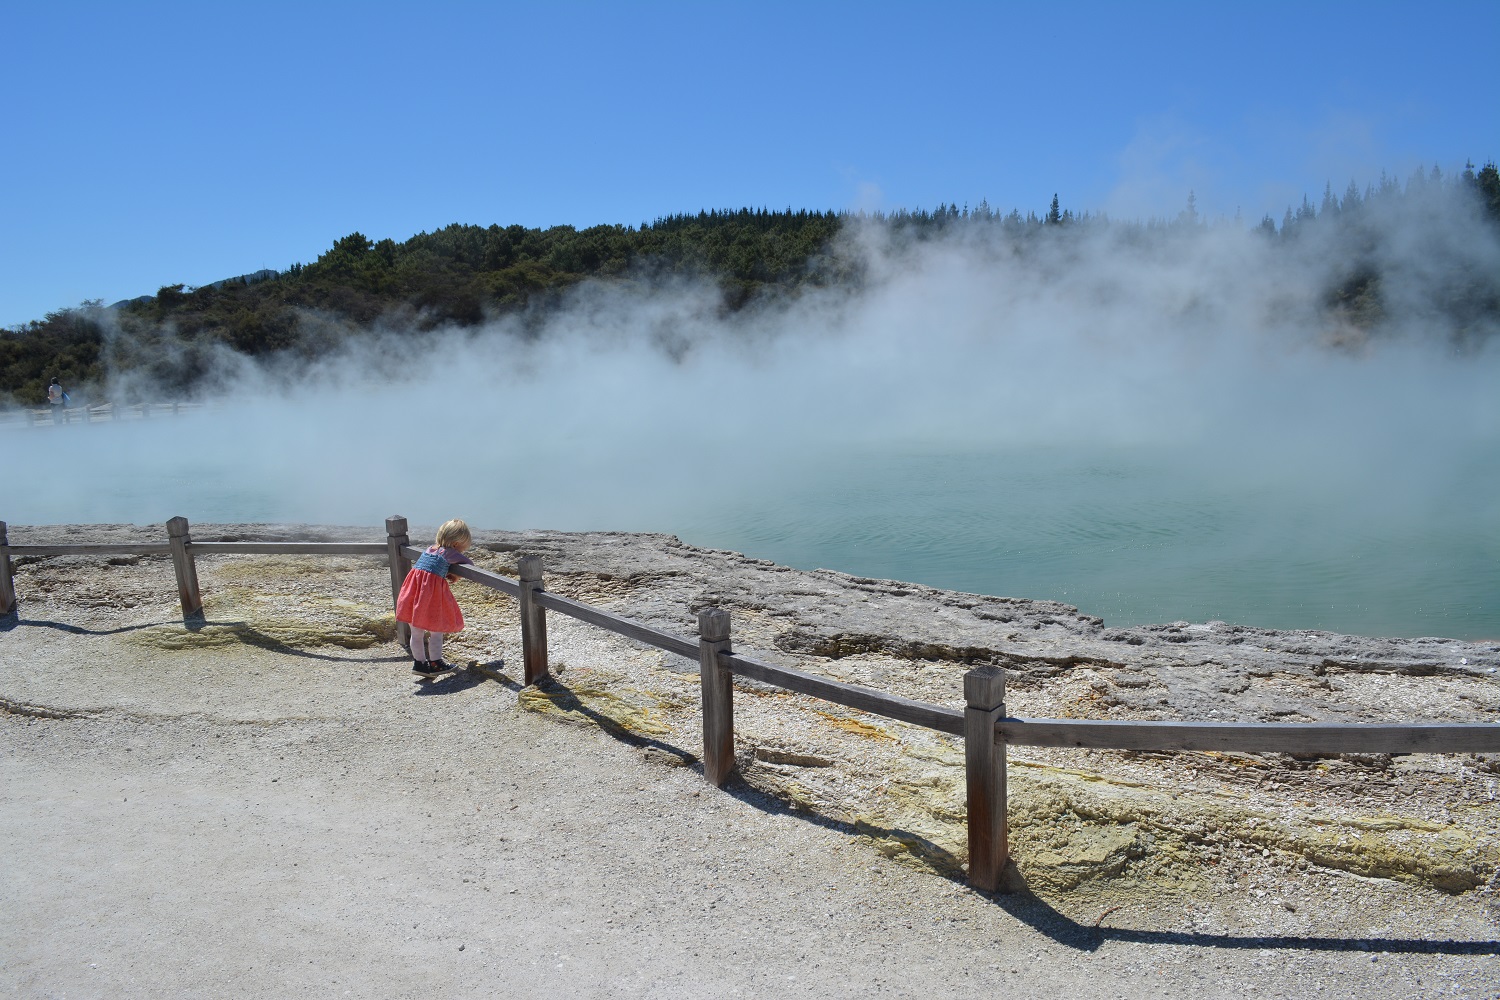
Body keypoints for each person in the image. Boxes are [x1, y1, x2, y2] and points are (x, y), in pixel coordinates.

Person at [395, 519, 474, 679]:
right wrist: (456, 574)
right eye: (463, 548)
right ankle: (436, 663)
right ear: (456, 543)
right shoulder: (450, 553)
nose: (462, 552)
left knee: (416, 633)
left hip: (412, 594)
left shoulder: (430, 549)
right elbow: (469, 564)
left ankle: (420, 664)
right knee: (436, 631)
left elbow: (431, 569)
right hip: (429, 598)